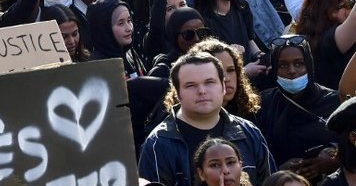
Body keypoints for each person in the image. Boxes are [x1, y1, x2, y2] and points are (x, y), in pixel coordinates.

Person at [139, 52, 276, 186]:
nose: (202, 91)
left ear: (223, 86)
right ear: (178, 92)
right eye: (191, 85)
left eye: (209, 82)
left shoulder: (249, 133)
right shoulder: (158, 144)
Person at [254, 36, 338, 179]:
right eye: (283, 65)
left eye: (299, 64)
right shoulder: (262, 104)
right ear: (274, 69)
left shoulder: (334, 101)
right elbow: (255, 155)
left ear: (309, 65)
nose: (292, 71)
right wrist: (277, 172)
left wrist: (335, 157)